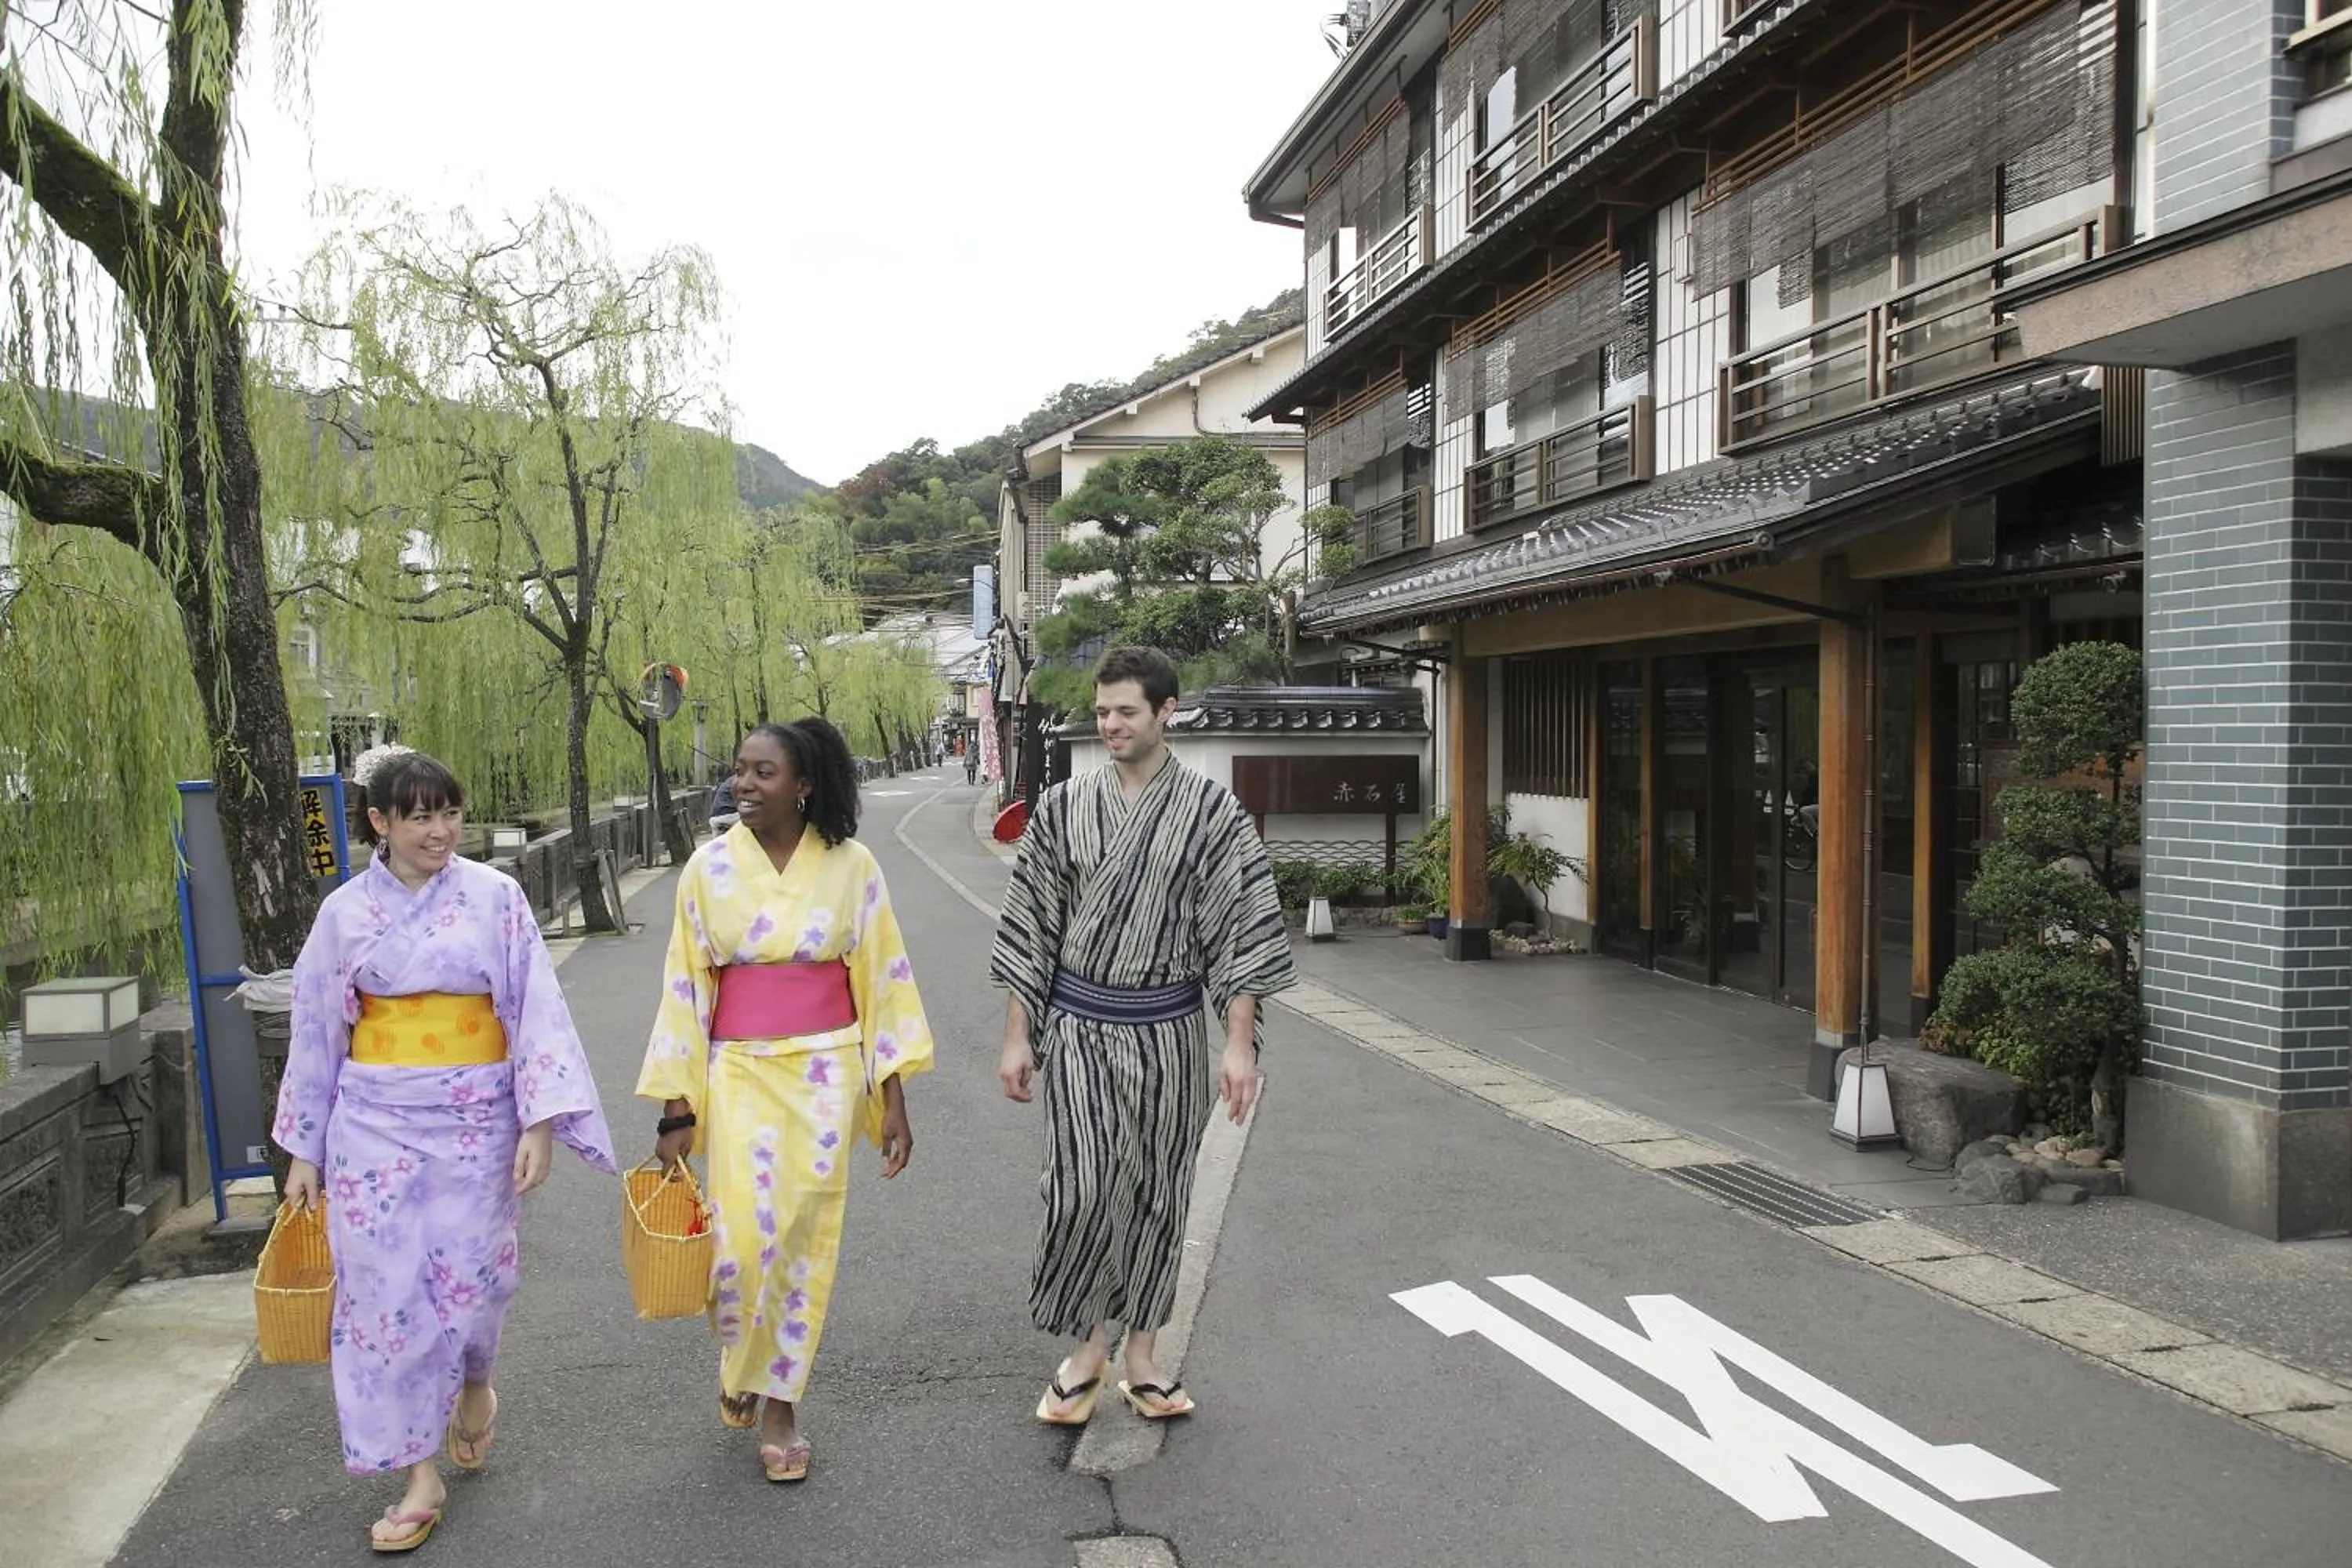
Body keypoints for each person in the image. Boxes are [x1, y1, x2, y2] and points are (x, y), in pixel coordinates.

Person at [275, 746, 617, 1555]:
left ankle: (474, 1381)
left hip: (475, 1118)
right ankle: (416, 1472)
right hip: (373, 1124)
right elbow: (318, 1026)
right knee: (384, 1300)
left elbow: (536, 1008)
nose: (438, 829)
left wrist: (538, 1122)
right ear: (380, 822)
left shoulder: (496, 897)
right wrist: (304, 1149)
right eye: (419, 814)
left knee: (474, 1285)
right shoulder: (345, 914)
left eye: (449, 811)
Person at [990, 645, 1294, 1425]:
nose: (1111, 724)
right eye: (1103, 712)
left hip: (1168, 1030)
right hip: (1083, 1026)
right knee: (1083, 1186)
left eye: (1126, 710)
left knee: (1161, 1192)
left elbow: (1242, 930)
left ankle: (1143, 1354)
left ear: (1168, 710)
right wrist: (1018, 1034)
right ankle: (1087, 1345)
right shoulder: (1063, 808)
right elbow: (1032, 926)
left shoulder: (1211, 812)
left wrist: (1236, 1045)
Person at [638, 717, 934, 1483]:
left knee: (800, 1232)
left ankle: (780, 1402)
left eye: (763, 772)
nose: (744, 783)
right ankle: (741, 1355)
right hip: (737, 1070)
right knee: (739, 1241)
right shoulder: (706, 870)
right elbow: (683, 989)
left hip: (827, 1071)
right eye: (739, 770)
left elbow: (883, 982)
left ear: (804, 784)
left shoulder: (853, 866)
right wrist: (677, 1106)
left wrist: (891, 1097)